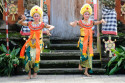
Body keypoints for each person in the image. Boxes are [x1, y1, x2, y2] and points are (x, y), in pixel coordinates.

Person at [18, 5, 54, 79]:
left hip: (38, 43)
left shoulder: (41, 24)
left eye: (37, 16)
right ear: (33, 17)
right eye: (35, 16)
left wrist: (48, 30)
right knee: (28, 58)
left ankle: (35, 72)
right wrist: (22, 20)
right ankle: (29, 75)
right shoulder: (30, 23)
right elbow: (20, 23)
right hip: (30, 43)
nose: (36, 17)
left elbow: (52, 26)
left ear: (39, 16)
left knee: (34, 58)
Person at [70, 3, 106, 77]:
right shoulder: (80, 22)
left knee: (90, 56)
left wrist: (101, 21)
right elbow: (73, 23)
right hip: (82, 41)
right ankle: (80, 64)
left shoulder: (91, 22)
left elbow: (96, 23)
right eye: (85, 14)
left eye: (88, 14)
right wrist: (72, 23)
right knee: (84, 55)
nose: (87, 15)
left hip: (90, 42)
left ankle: (86, 71)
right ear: (83, 14)